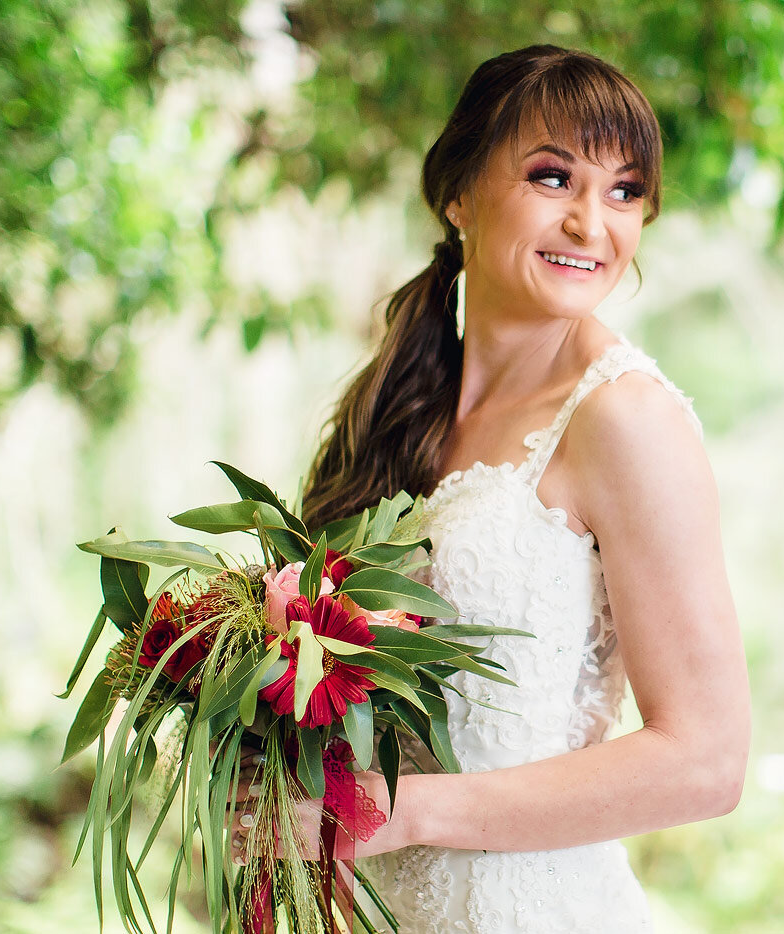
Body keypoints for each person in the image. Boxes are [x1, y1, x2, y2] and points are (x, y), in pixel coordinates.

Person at [238, 44, 751, 932]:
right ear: (459, 192)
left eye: (625, 191)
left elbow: (705, 762)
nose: (594, 224)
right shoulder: (402, 406)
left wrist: (411, 812)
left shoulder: (624, 419)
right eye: (554, 178)